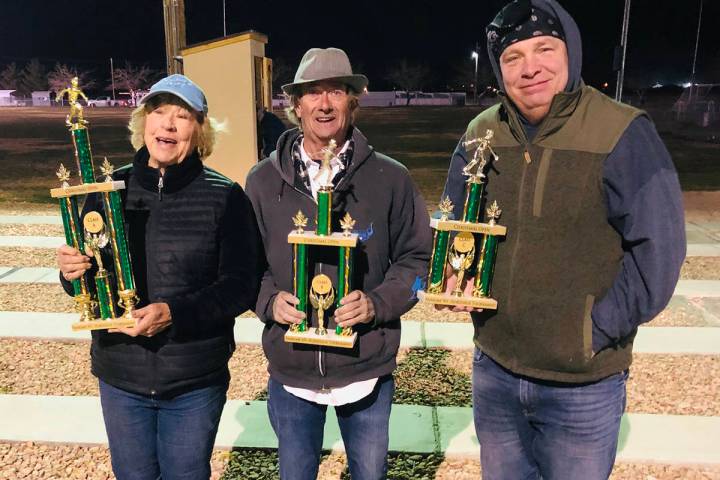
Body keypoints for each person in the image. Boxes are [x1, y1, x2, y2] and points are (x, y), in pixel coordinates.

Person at [440, 1, 686, 479]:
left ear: (570, 51)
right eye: (513, 57)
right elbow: (455, 221)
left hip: (582, 384)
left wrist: (592, 330)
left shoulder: (621, 131)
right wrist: (454, 272)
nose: (530, 67)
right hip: (496, 368)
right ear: (499, 68)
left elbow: (659, 253)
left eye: (544, 49)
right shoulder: (480, 133)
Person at [56, 74, 261, 479]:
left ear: (199, 131)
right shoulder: (108, 190)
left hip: (193, 381)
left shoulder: (225, 196)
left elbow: (240, 286)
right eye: (158, 112)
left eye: (181, 117)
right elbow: (90, 276)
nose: (167, 125)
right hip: (122, 377)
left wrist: (174, 313)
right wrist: (70, 272)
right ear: (143, 122)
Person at [245, 47, 432, 480]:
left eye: (336, 92)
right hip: (292, 369)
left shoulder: (391, 178)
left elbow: (418, 258)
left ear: (353, 101)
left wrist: (379, 304)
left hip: (365, 368)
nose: (324, 103)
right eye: (313, 93)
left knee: (369, 473)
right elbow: (243, 264)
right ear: (296, 104)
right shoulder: (261, 181)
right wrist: (268, 301)